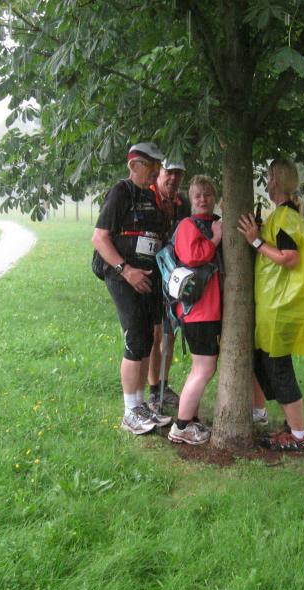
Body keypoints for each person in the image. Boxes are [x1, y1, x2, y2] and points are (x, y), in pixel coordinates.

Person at [91, 142, 173, 435]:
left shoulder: (150, 196)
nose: (155, 171)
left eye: (157, 166)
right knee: (134, 338)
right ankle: (129, 412)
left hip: (147, 276)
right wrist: (126, 271)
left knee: (147, 339)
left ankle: (140, 406)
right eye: (150, 165)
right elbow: (99, 238)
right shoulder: (120, 192)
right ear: (133, 165)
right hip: (122, 276)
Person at [237, 158, 304, 451]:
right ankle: (290, 427)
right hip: (279, 303)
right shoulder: (290, 215)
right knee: (266, 365)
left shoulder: (286, 216)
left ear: (277, 182)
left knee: (278, 369)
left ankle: (299, 436)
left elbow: (289, 257)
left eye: (269, 178)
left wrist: (256, 241)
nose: (267, 184)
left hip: (281, 304)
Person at [166, 175, 222, 445]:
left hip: (209, 310)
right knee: (204, 368)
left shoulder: (213, 222)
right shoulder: (188, 225)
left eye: (208, 194)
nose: (203, 199)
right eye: (198, 195)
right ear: (190, 199)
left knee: (200, 367)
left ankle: (191, 419)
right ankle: (181, 427)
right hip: (198, 311)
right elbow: (192, 257)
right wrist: (216, 238)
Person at [147, 159, 191, 410]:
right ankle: (154, 390)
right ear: (159, 173)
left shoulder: (182, 203)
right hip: (150, 275)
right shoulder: (147, 198)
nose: (173, 178)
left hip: (173, 276)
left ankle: (163, 385)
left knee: (170, 332)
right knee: (155, 334)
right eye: (169, 172)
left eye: (178, 173)